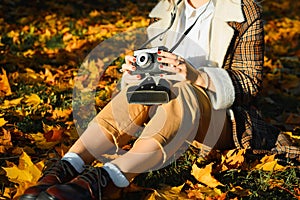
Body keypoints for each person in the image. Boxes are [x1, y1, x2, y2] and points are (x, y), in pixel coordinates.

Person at [19, 0, 299, 199]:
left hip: (218, 117)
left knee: (179, 90)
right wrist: (133, 73)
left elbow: (250, 82)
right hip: (160, 108)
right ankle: (69, 165)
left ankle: (110, 179)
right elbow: (149, 65)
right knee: (139, 91)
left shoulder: (243, 10)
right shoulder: (165, 9)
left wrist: (196, 76)